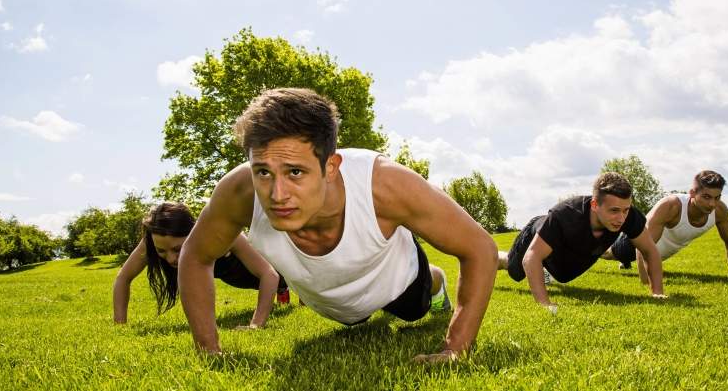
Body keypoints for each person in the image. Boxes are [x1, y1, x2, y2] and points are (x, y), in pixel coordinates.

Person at [178, 88, 498, 364]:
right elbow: (195, 256)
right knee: (355, 320)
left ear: (330, 167)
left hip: (397, 280)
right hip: (336, 305)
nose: (277, 195)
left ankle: (434, 280)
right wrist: (209, 351)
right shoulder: (238, 194)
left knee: (414, 308)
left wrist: (455, 348)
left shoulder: (385, 184)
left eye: (295, 173)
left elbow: (480, 248)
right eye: (262, 171)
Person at [498, 172, 665, 313]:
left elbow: (650, 250)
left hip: (564, 261)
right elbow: (531, 257)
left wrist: (657, 292)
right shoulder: (564, 216)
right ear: (594, 204)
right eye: (614, 211)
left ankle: (543, 272)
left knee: (563, 275)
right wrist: (545, 304)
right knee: (514, 269)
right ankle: (497, 257)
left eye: (625, 210)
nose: (621, 218)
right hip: (538, 237)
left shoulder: (628, 217)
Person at [112, 202, 288, 329]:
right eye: (162, 252)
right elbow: (123, 278)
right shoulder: (154, 239)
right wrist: (120, 325)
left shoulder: (219, 233)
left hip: (272, 270)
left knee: (289, 281)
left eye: (177, 249)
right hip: (233, 277)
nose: (171, 258)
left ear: (192, 233)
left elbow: (269, 274)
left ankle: (286, 292)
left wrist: (255, 325)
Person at [602, 170, 728, 281]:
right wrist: (646, 281)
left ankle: (625, 262)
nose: (712, 203)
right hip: (635, 243)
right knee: (606, 253)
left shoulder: (719, 211)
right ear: (692, 193)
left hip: (659, 253)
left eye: (717, 197)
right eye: (706, 197)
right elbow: (643, 247)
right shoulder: (671, 206)